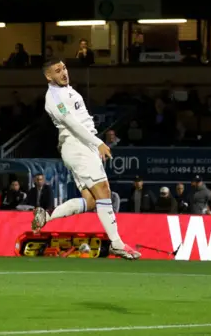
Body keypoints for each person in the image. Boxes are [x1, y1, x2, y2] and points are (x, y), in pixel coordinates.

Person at [33, 57, 140, 260]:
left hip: (81, 146)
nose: (64, 73)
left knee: (90, 201)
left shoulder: (67, 91)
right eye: (57, 70)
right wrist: (97, 143)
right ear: (48, 76)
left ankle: (47, 216)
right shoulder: (53, 97)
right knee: (104, 191)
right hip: (78, 145)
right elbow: (72, 124)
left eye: (64, 68)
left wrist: (93, 143)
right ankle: (117, 243)